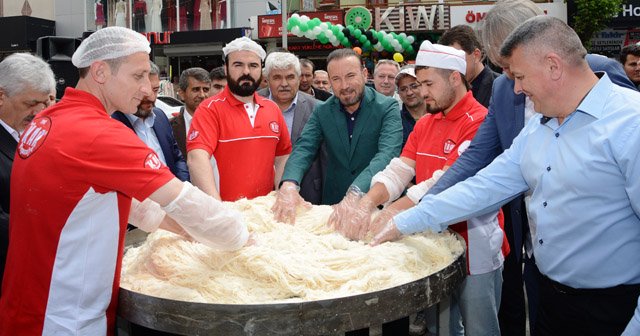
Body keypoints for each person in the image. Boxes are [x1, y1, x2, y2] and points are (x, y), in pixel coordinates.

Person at [372, 15, 640, 336]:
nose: (516, 88)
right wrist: (400, 223)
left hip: (616, 309)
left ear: (553, 66)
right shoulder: (538, 129)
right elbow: (483, 187)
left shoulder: (630, 124)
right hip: (550, 299)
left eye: (520, 76)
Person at [0, 26, 248, 335]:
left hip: (27, 305)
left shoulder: (49, 119)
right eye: (138, 76)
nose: (148, 89)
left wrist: (186, 230)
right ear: (101, 72)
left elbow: (120, 204)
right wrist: (245, 237)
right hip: (63, 318)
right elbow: (183, 199)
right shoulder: (98, 133)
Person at [342, 41, 506, 336]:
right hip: (430, 244)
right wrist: (367, 202)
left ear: (455, 78)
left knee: (480, 327)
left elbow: (442, 184)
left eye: (429, 83)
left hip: (475, 245)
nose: (422, 92)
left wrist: (391, 213)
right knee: (439, 327)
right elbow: (400, 170)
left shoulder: (480, 121)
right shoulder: (426, 123)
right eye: (420, 83)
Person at [272, 48, 404, 335]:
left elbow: (387, 155)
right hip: (336, 214)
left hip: (379, 208)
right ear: (329, 83)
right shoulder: (323, 111)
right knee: (347, 293)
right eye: (336, 79)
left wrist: (358, 192)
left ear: (365, 75)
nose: (345, 86)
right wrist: (289, 185)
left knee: (390, 290)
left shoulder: (387, 108)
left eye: (350, 76)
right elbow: (304, 148)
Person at [187, 37, 292, 201]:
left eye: (253, 65)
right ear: (226, 69)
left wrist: (282, 194)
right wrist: (217, 209)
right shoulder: (209, 110)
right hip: (224, 213)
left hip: (264, 213)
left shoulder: (272, 109)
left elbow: (282, 157)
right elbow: (196, 159)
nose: (246, 72)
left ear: (261, 70)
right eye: (238, 65)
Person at [0, 53, 55, 297]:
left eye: (45, 103)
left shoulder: (41, 130)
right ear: (1, 96)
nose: (39, 112)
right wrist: (52, 229)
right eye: (30, 104)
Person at [258, 52, 323, 204]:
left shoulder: (318, 108)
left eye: (290, 77)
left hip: (306, 192)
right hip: (260, 193)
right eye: (277, 78)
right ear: (267, 80)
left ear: (299, 79)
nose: (284, 83)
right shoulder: (252, 105)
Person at [112, 61, 190, 182]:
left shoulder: (160, 117)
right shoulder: (111, 124)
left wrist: (183, 186)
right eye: (144, 90)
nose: (151, 97)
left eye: (155, 90)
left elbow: (176, 158)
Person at [439, 24, 498, 108]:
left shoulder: (502, 87)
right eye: (447, 62)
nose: (452, 68)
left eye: (456, 59)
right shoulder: (447, 91)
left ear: (476, 55)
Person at [170, 67, 211, 158]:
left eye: (206, 90)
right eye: (196, 89)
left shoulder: (222, 123)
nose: (202, 95)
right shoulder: (168, 127)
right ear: (182, 94)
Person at [394, 65, 426, 147]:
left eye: (414, 86)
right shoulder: (395, 121)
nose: (409, 93)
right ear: (399, 93)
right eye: (403, 89)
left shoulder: (440, 116)